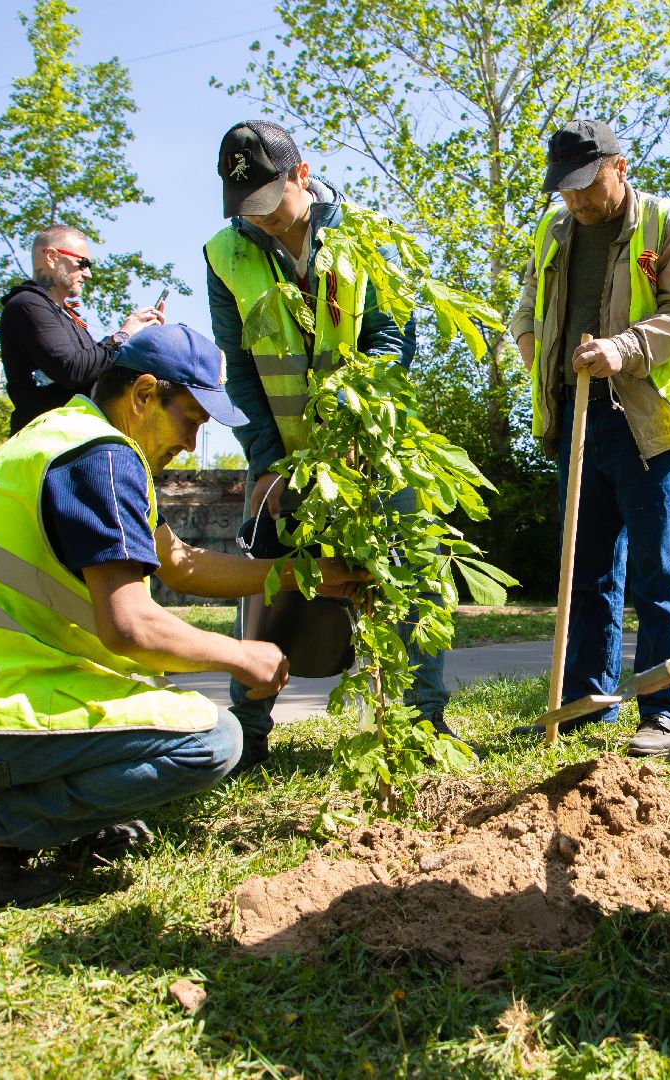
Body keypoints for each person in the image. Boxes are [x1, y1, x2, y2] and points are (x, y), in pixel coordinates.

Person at [0, 323, 365, 912]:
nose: (190, 443)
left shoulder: (66, 440)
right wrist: (242, 653)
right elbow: (131, 626)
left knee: (155, 709)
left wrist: (299, 573)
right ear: (143, 394)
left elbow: (179, 567)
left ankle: (69, 825)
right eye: (190, 419)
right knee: (211, 740)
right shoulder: (103, 459)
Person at [204, 120, 454, 769]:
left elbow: (393, 341)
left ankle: (424, 720)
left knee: (410, 573)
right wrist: (266, 464)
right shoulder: (224, 254)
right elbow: (239, 369)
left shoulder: (365, 237)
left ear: (302, 177)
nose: (255, 219)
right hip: (285, 454)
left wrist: (357, 429)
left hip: (374, 444)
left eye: (266, 201)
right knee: (266, 581)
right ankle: (250, 732)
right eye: (243, 208)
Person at [511, 118, 670, 756]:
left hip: (648, 420)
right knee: (586, 571)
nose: (576, 201)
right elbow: (525, 307)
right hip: (576, 416)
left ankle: (665, 709)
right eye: (565, 190)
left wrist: (622, 349)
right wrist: (527, 346)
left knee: (663, 569)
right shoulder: (553, 230)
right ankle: (584, 705)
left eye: (586, 185)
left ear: (618, 167)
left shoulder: (667, 221)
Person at [0, 224, 166, 433]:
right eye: (82, 263)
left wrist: (142, 339)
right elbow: (74, 370)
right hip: (45, 446)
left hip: (73, 441)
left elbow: (97, 374)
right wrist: (123, 335)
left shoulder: (65, 315)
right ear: (51, 256)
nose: (87, 274)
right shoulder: (27, 305)